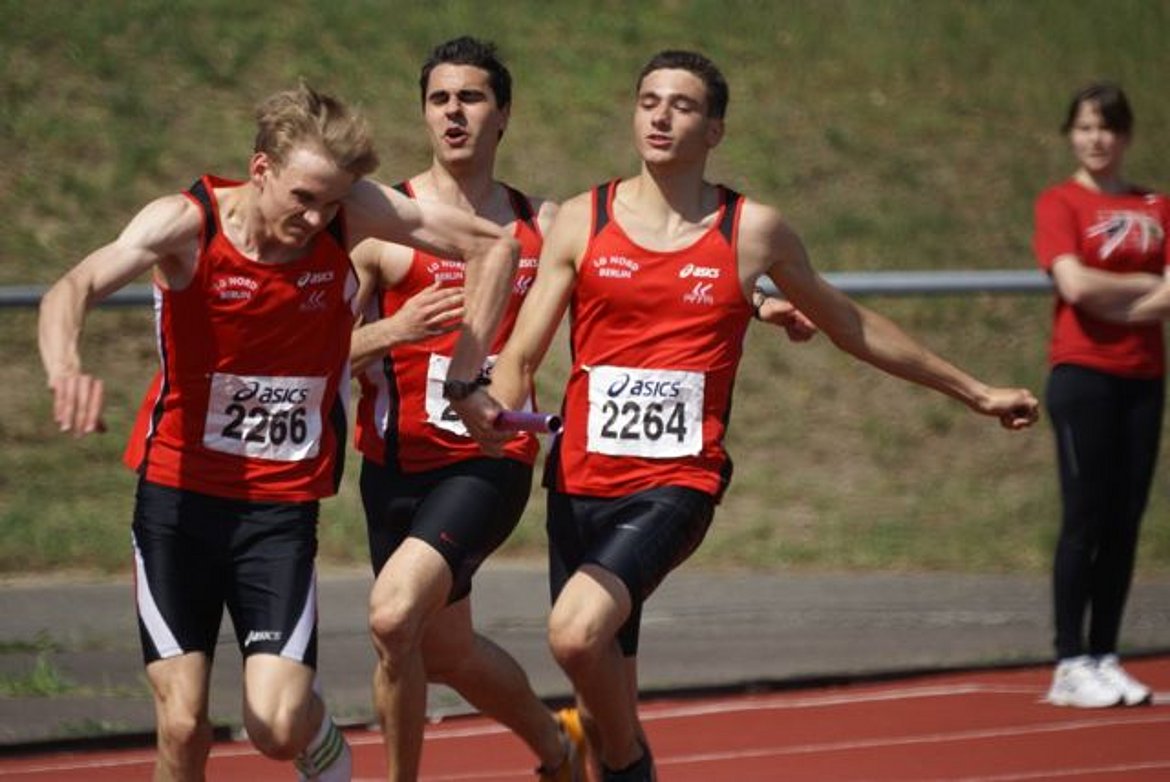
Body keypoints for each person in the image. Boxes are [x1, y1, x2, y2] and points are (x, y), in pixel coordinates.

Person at [459, 50, 1040, 782]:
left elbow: (851, 324)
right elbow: (521, 352)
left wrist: (975, 391)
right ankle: (621, 759)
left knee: (574, 636)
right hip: (578, 482)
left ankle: (629, 759)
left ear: (715, 131)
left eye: (681, 106)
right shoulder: (583, 219)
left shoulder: (752, 230)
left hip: (675, 483)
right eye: (648, 101)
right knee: (600, 681)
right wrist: (504, 411)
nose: (660, 117)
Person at [37, 82, 518, 781]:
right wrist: (65, 366)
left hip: (278, 513)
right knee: (182, 722)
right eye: (303, 198)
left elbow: (494, 245)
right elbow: (73, 286)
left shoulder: (348, 214)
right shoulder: (187, 224)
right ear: (260, 168)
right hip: (178, 502)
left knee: (275, 725)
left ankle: (315, 738)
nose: (316, 218)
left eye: (332, 202)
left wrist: (465, 379)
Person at [348, 36, 587, 782]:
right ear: (423, 113)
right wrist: (394, 330)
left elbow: (643, 281)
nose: (454, 113)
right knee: (443, 650)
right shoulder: (381, 224)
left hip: (488, 460)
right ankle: (559, 747)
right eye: (439, 99)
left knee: (392, 616)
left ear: (503, 114)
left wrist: (760, 299)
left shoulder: (539, 223)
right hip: (392, 466)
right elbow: (315, 354)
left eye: (471, 98)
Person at [1033, 82, 1170, 709]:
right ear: (1071, 134)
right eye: (1086, 127)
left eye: (1108, 128)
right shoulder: (1060, 202)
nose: (1097, 139)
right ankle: (1069, 661)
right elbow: (1076, 286)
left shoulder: (1155, 205)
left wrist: (1119, 296)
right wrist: (1145, 287)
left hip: (1144, 377)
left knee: (1124, 519)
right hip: (1083, 374)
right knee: (1084, 516)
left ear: (1126, 135)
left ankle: (1105, 653)